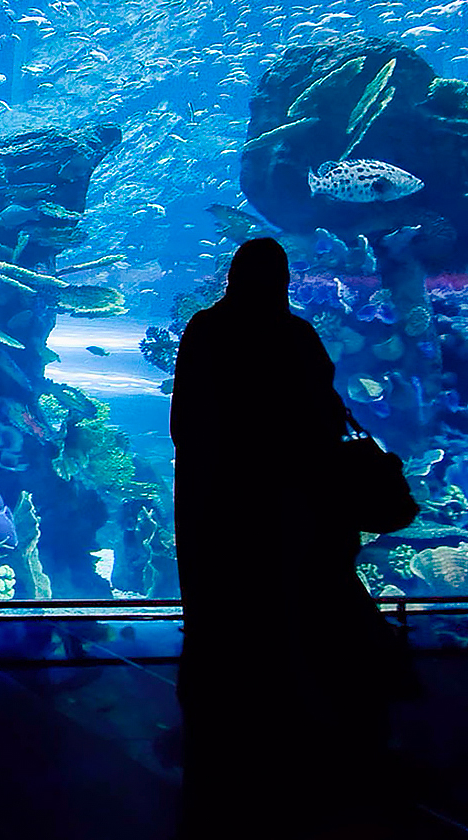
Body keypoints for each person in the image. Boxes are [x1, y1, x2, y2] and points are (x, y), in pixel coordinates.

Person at [170, 237, 417, 840]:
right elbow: (323, 416)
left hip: (221, 503)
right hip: (295, 501)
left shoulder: (207, 329)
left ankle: (225, 725)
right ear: (280, 280)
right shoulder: (296, 335)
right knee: (302, 601)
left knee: (226, 607)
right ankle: (316, 721)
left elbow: (187, 421)